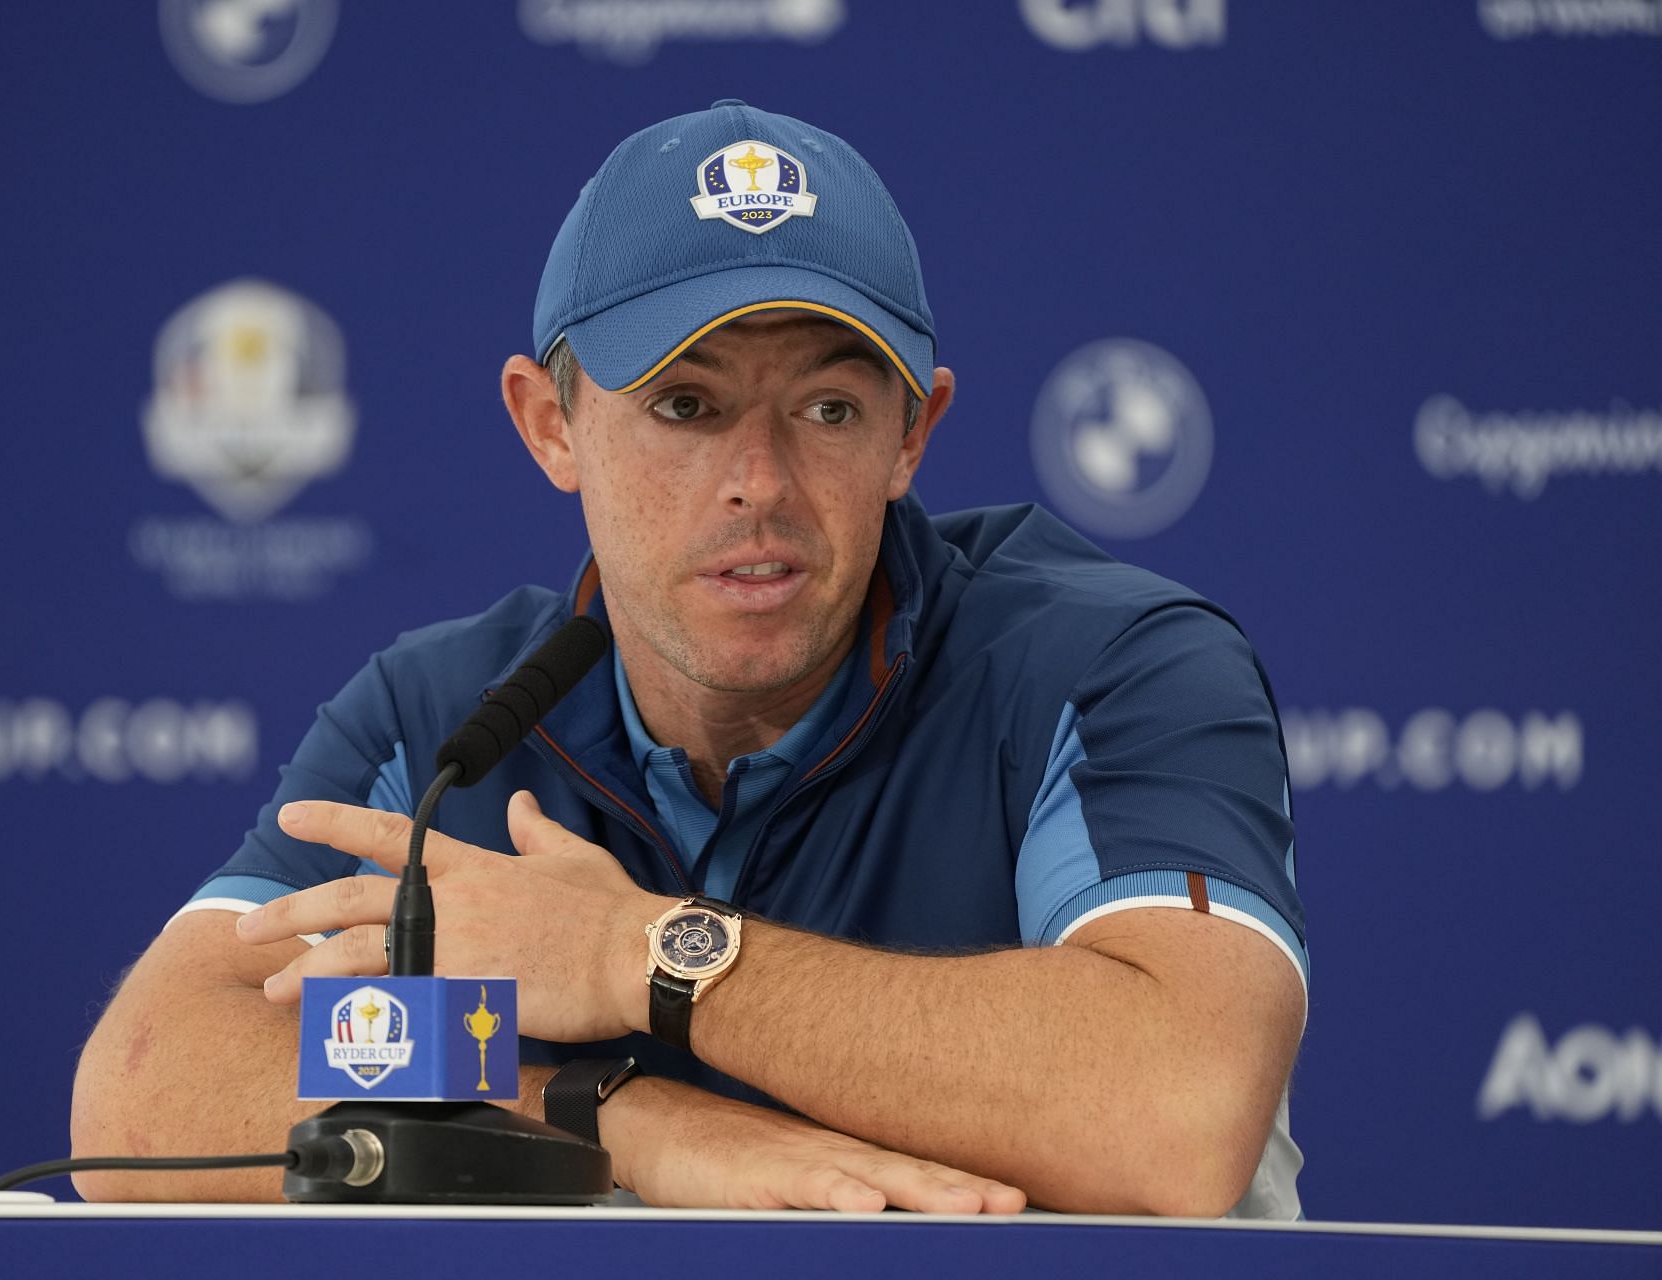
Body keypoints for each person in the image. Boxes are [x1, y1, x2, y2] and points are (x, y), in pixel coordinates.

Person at [71, 99, 1307, 1217]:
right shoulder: (444, 719)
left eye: (829, 410)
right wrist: (616, 1115)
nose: (758, 485)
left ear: (912, 435)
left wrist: (633, 953)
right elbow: (147, 1084)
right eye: (684, 405)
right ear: (550, 424)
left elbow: (1172, 1111)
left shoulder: (1106, 664)